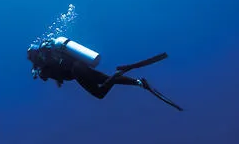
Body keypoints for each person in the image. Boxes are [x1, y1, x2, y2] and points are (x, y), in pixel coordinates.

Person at [27, 37, 183, 111]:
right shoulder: (49, 53)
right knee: (105, 80)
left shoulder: (43, 68)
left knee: (100, 93)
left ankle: (120, 73)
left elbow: (51, 75)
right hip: (80, 65)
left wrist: (40, 73)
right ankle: (139, 83)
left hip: (76, 71)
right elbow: (58, 72)